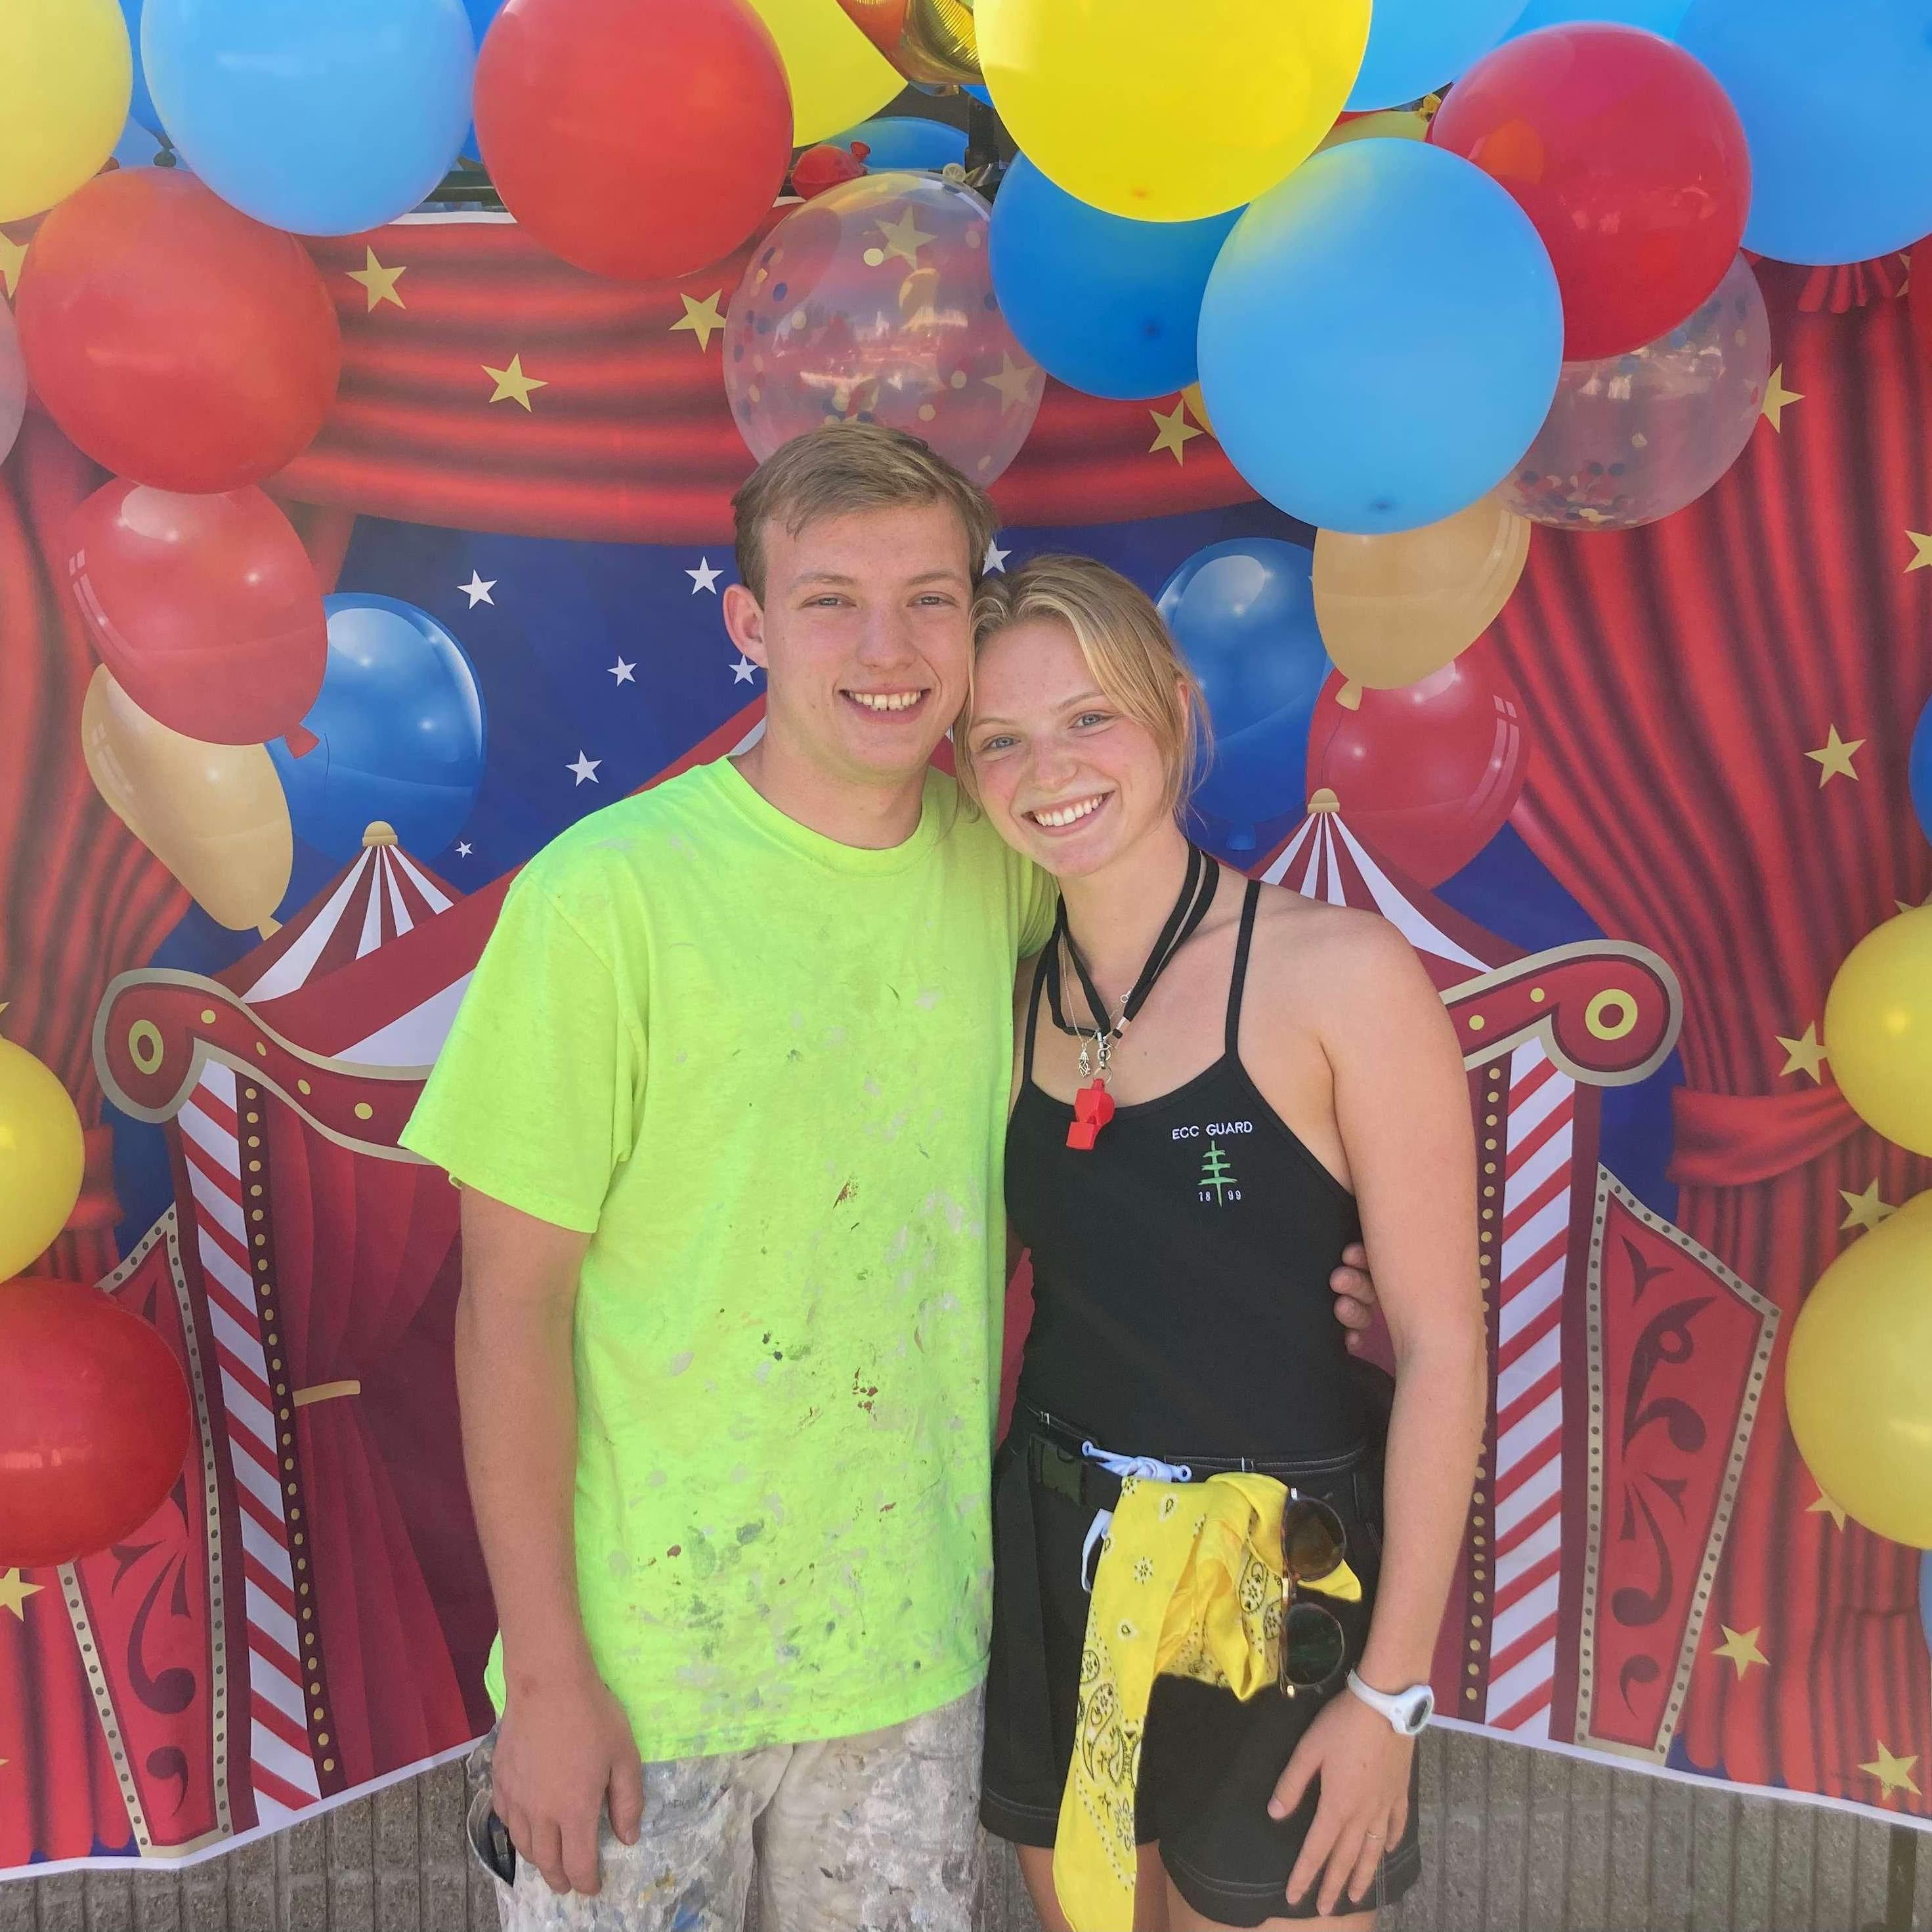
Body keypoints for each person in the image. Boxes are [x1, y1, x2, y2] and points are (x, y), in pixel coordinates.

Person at [401, 425, 1382, 1932]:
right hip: (647, 1667)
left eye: (929, 597)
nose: (886, 645)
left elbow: (1157, 1100)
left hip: (918, 1659)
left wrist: (1316, 1277)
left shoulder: (1003, 862)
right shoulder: (603, 898)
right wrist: (543, 1668)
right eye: (828, 599)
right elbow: (508, 1311)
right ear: (748, 622)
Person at [958, 557, 1485, 1932]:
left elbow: (1437, 1345)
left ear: (1174, 711)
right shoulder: (999, 1004)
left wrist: (1387, 1693)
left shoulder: (1340, 976)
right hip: (1059, 1556)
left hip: (1284, 1577)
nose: (1047, 768)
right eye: (999, 738)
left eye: (1087, 719)